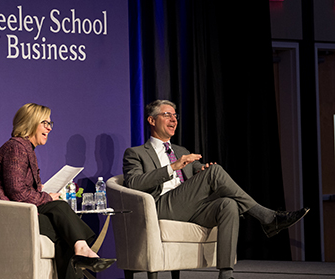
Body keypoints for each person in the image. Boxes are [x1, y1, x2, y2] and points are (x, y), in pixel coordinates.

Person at [122, 100, 309, 279]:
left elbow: (197, 172)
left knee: (228, 204)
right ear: (152, 120)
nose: (174, 120)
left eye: (175, 115)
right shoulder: (136, 153)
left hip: (189, 208)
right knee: (215, 172)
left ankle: (226, 274)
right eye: (167, 115)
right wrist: (172, 167)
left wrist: (203, 171)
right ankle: (268, 217)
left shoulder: (181, 150)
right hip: (161, 207)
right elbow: (133, 183)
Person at [0, 103, 115, 279]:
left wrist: (41, 191)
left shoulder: (26, 148)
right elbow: (17, 193)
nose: (49, 128)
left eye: (50, 123)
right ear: (30, 122)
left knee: (63, 225)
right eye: (45, 123)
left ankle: (80, 247)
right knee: (59, 211)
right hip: (3, 215)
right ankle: (81, 247)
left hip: (18, 211)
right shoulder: (16, 147)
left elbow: (19, 187)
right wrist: (46, 196)